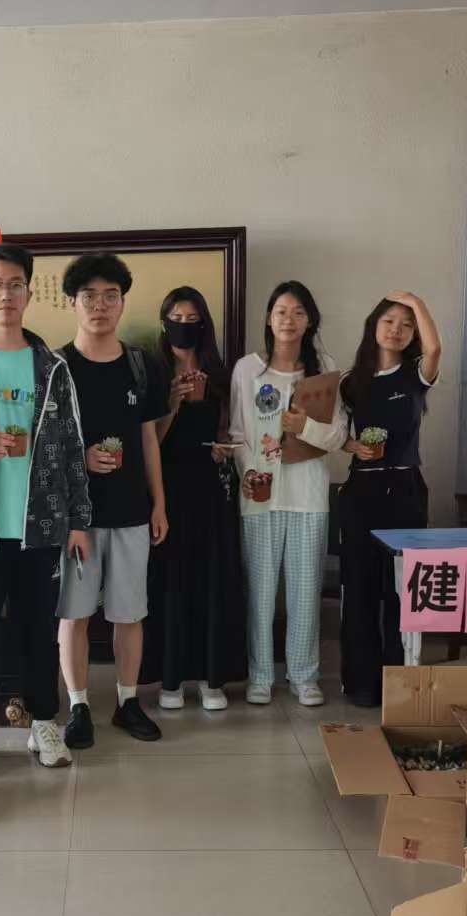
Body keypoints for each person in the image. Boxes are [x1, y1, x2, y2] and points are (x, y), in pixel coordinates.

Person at [0, 243, 92, 774]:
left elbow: (73, 447)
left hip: (41, 525)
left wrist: (79, 521)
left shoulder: (53, 367)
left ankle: (44, 724)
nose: (5, 295)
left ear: (30, 293)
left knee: (39, 633)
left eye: (15, 285)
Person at [56, 252, 168, 747]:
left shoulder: (142, 366)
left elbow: (148, 440)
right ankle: (78, 705)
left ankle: (127, 701)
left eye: (110, 296)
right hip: (75, 517)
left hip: (130, 512)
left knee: (130, 612)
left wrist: (158, 503)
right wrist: (81, 459)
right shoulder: (57, 367)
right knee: (75, 613)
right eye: (89, 296)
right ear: (72, 303)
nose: (100, 305)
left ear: (122, 303)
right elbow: (47, 445)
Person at [228, 281, 343, 707]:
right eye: (281, 311)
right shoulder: (248, 369)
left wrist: (303, 428)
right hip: (260, 496)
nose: (289, 320)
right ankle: (260, 675)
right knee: (259, 592)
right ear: (269, 318)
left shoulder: (324, 370)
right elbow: (238, 432)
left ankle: (304, 676)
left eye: (298, 312)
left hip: (308, 496)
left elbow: (338, 435)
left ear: (309, 320)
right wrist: (247, 472)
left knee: (305, 590)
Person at [336, 292, 443, 708]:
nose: (396, 329)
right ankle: (361, 684)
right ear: (373, 326)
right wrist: (352, 446)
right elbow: (333, 432)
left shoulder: (417, 374)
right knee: (359, 587)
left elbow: (436, 349)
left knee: (401, 590)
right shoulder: (350, 381)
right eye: (388, 321)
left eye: (406, 324)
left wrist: (415, 301)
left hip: (405, 490)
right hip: (361, 491)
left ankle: (401, 683)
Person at [147, 286, 245, 711]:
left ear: (204, 324)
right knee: (172, 582)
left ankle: (211, 678)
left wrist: (223, 448)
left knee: (211, 580)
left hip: (210, 488)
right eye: (176, 319)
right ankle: (170, 680)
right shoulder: (154, 371)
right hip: (168, 487)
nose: (183, 327)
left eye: (191, 320)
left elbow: (226, 432)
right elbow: (150, 441)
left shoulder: (219, 374)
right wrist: (173, 402)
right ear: (164, 323)